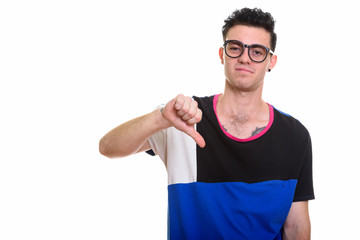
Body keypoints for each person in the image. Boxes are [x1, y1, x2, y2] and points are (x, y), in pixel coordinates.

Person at [99, 7, 314, 240]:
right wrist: (159, 118)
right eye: (235, 48)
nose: (244, 58)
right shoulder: (184, 118)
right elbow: (108, 147)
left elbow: (295, 227)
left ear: (271, 61)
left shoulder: (294, 136)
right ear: (222, 54)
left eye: (257, 51)